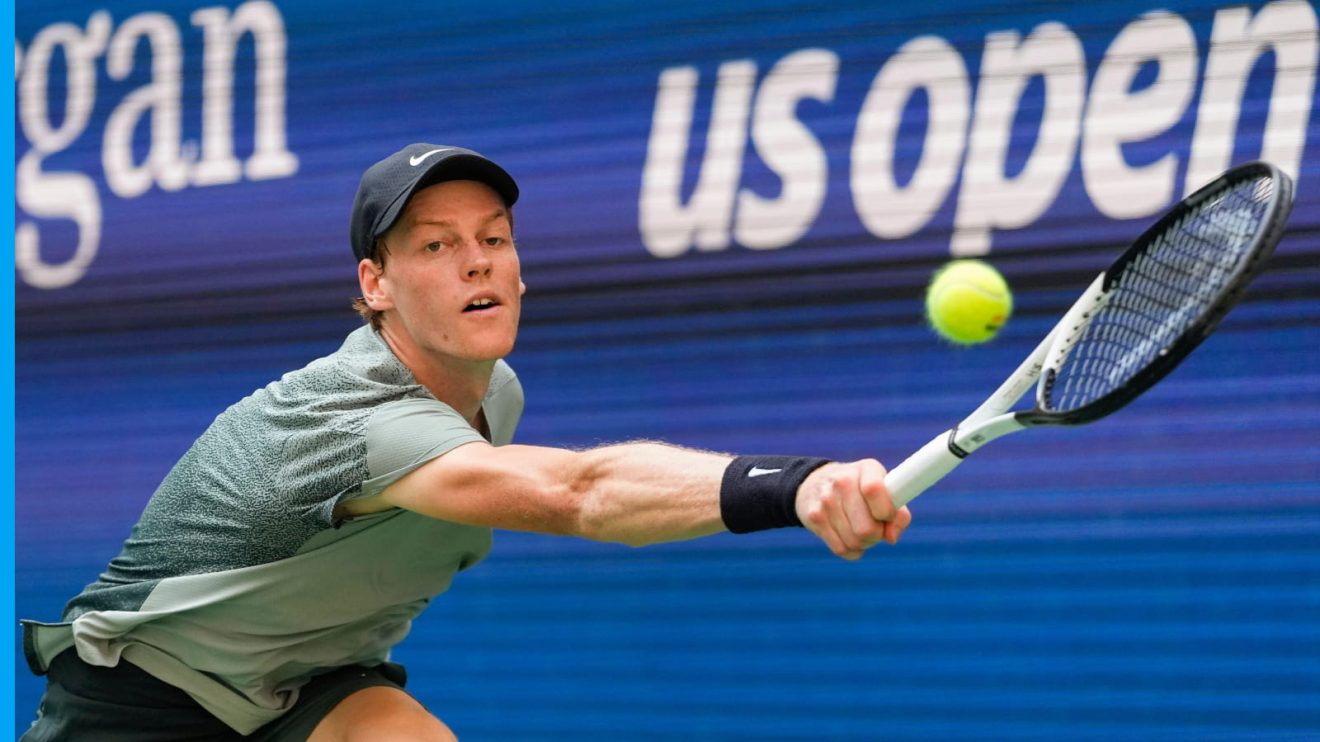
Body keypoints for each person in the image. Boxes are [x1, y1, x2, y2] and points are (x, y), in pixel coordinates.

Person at [19, 144, 912, 741]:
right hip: (140, 704)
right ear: (376, 284)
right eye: (438, 245)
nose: (479, 262)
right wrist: (792, 486)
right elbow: (579, 494)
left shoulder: (496, 394)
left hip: (316, 682)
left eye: (494, 239)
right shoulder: (350, 417)